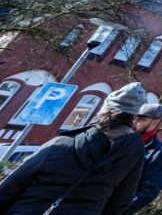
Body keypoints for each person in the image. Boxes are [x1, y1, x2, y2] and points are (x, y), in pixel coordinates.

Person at [0, 82, 147, 214]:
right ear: (133, 119)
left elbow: (11, 186)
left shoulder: (61, 144)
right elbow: (120, 203)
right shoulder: (132, 156)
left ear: (103, 111)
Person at [125, 103, 162, 213]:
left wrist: (120, 209)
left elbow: (149, 190)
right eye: (133, 118)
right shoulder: (122, 140)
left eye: (140, 119)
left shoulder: (159, 152)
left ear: (154, 123)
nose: (134, 122)